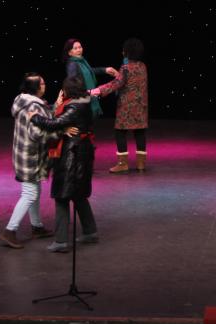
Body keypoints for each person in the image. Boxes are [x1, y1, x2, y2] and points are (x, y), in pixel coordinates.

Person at [1, 73, 79, 249]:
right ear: (35, 87)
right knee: (30, 194)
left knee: (33, 191)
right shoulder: (33, 105)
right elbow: (37, 133)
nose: (45, 85)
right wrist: (61, 132)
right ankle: (10, 230)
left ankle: (37, 227)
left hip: (23, 154)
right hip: (31, 157)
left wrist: (55, 105)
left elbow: (43, 116)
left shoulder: (22, 100)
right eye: (42, 83)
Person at [46, 75, 98, 252]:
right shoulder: (84, 102)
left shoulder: (73, 106)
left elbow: (53, 123)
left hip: (72, 153)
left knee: (62, 196)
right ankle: (90, 232)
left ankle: (61, 241)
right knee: (79, 194)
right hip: (82, 150)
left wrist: (34, 117)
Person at [92, 38, 149, 174]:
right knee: (140, 132)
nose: (122, 52)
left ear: (128, 52)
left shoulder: (126, 68)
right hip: (141, 106)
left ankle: (123, 164)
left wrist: (98, 90)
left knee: (120, 132)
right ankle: (141, 164)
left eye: (124, 50)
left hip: (127, 107)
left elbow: (116, 84)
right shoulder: (143, 66)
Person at [62, 38, 104, 119]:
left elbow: (89, 71)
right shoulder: (72, 64)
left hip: (87, 97)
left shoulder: (81, 61)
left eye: (80, 47)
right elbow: (72, 83)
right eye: (75, 48)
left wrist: (105, 70)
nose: (79, 50)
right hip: (82, 99)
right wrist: (86, 93)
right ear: (70, 52)